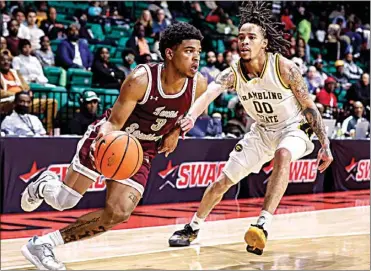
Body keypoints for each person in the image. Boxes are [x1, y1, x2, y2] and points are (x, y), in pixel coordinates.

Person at [20, 22, 207, 270]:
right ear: (170, 53)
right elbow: (114, 123)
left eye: (199, 52)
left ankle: (43, 245)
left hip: (143, 150)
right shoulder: (141, 79)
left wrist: (176, 132)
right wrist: (103, 142)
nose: (196, 58)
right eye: (189, 51)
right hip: (113, 139)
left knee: (119, 212)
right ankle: (45, 184)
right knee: (65, 201)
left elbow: (193, 112)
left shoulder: (199, 85)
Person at [169, 2, 333, 256]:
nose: (244, 42)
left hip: (294, 128)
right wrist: (190, 116)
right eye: (240, 37)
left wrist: (325, 143)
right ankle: (193, 227)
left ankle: (262, 224)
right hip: (261, 131)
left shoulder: (285, 68)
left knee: (283, 154)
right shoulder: (234, 73)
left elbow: (309, 107)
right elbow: (211, 92)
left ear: (264, 42)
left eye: (251, 37)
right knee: (221, 182)